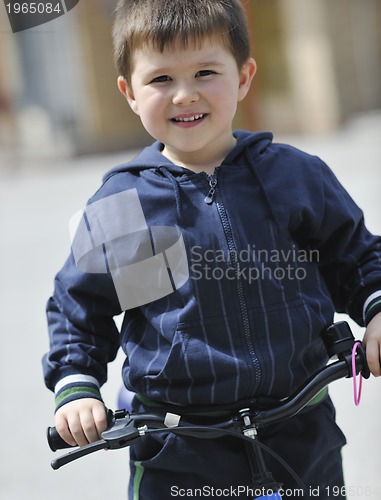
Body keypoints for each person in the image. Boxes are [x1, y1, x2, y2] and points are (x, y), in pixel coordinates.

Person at [43, 0, 381, 498]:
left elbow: (356, 256)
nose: (184, 95)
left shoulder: (295, 176)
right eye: (160, 80)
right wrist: (75, 385)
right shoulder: (123, 205)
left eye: (205, 71)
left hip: (300, 429)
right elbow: (79, 309)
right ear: (129, 93)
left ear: (243, 77)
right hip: (178, 445)